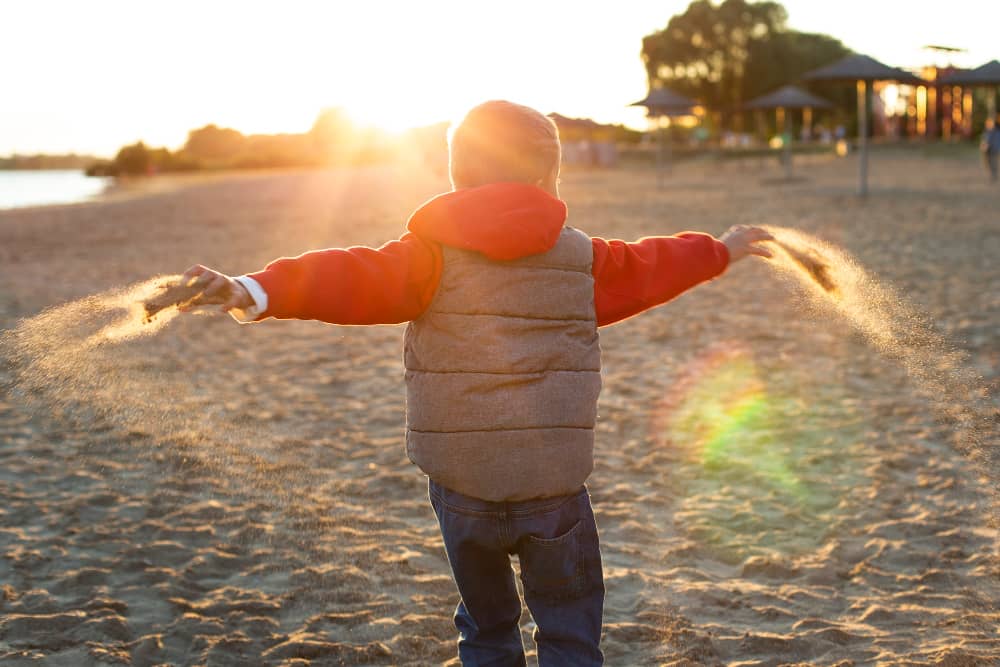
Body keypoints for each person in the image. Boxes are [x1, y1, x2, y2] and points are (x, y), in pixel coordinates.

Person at [180, 100, 773, 666]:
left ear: (458, 173)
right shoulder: (584, 260)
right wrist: (721, 249)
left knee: (487, 627)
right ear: (550, 174)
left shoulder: (428, 258)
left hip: (463, 486)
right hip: (553, 488)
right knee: (568, 625)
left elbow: (348, 274)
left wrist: (254, 288)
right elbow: (655, 266)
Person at [981, 115, 1000, 183]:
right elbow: (984, 141)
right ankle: (993, 176)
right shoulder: (987, 131)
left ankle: (994, 176)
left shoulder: (995, 132)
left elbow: (989, 141)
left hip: (994, 150)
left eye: (989, 123)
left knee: (993, 163)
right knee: (989, 163)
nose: (987, 124)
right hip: (988, 151)